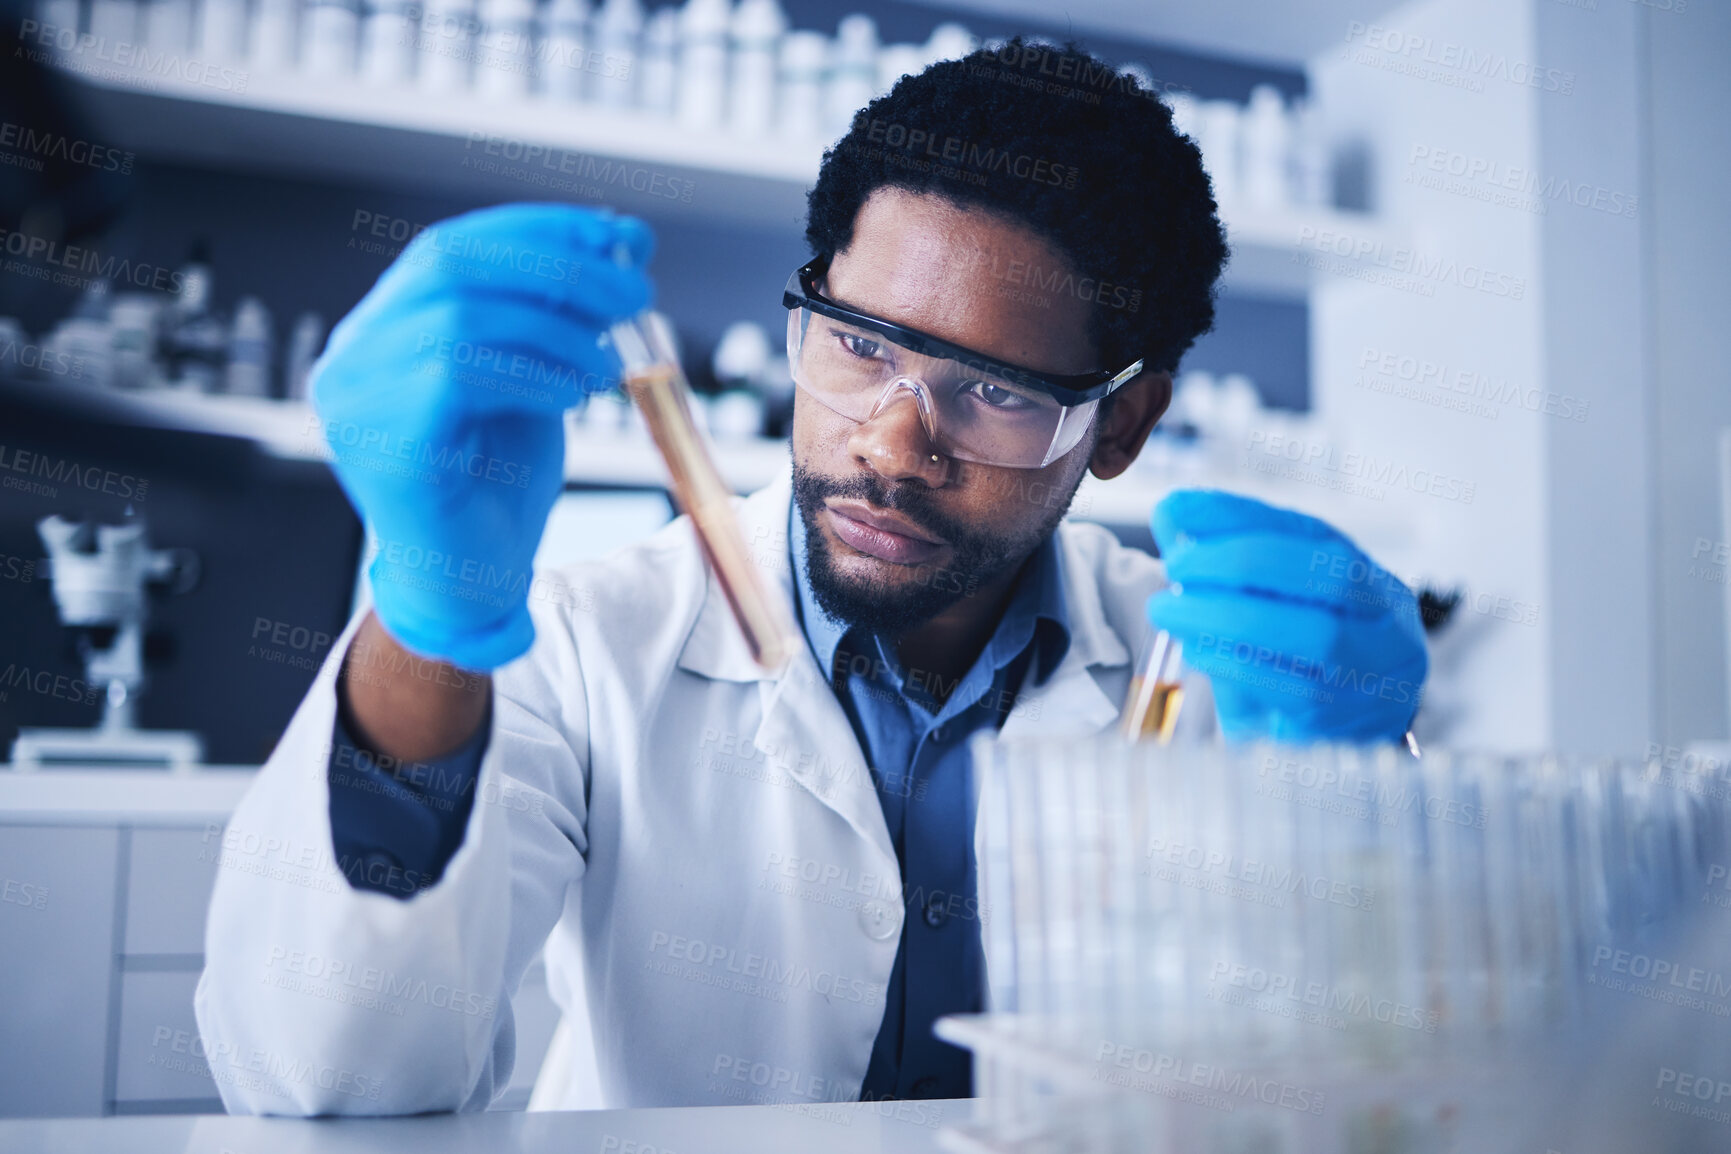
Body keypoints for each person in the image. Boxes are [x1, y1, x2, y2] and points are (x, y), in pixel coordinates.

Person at [195, 39, 1427, 1115]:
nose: (890, 442)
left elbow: (1382, 1095)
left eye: (993, 391)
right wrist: (431, 615)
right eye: (858, 343)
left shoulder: (1204, 683)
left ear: (1122, 424)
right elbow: (325, 1079)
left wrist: (1361, 809)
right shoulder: (583, 640)